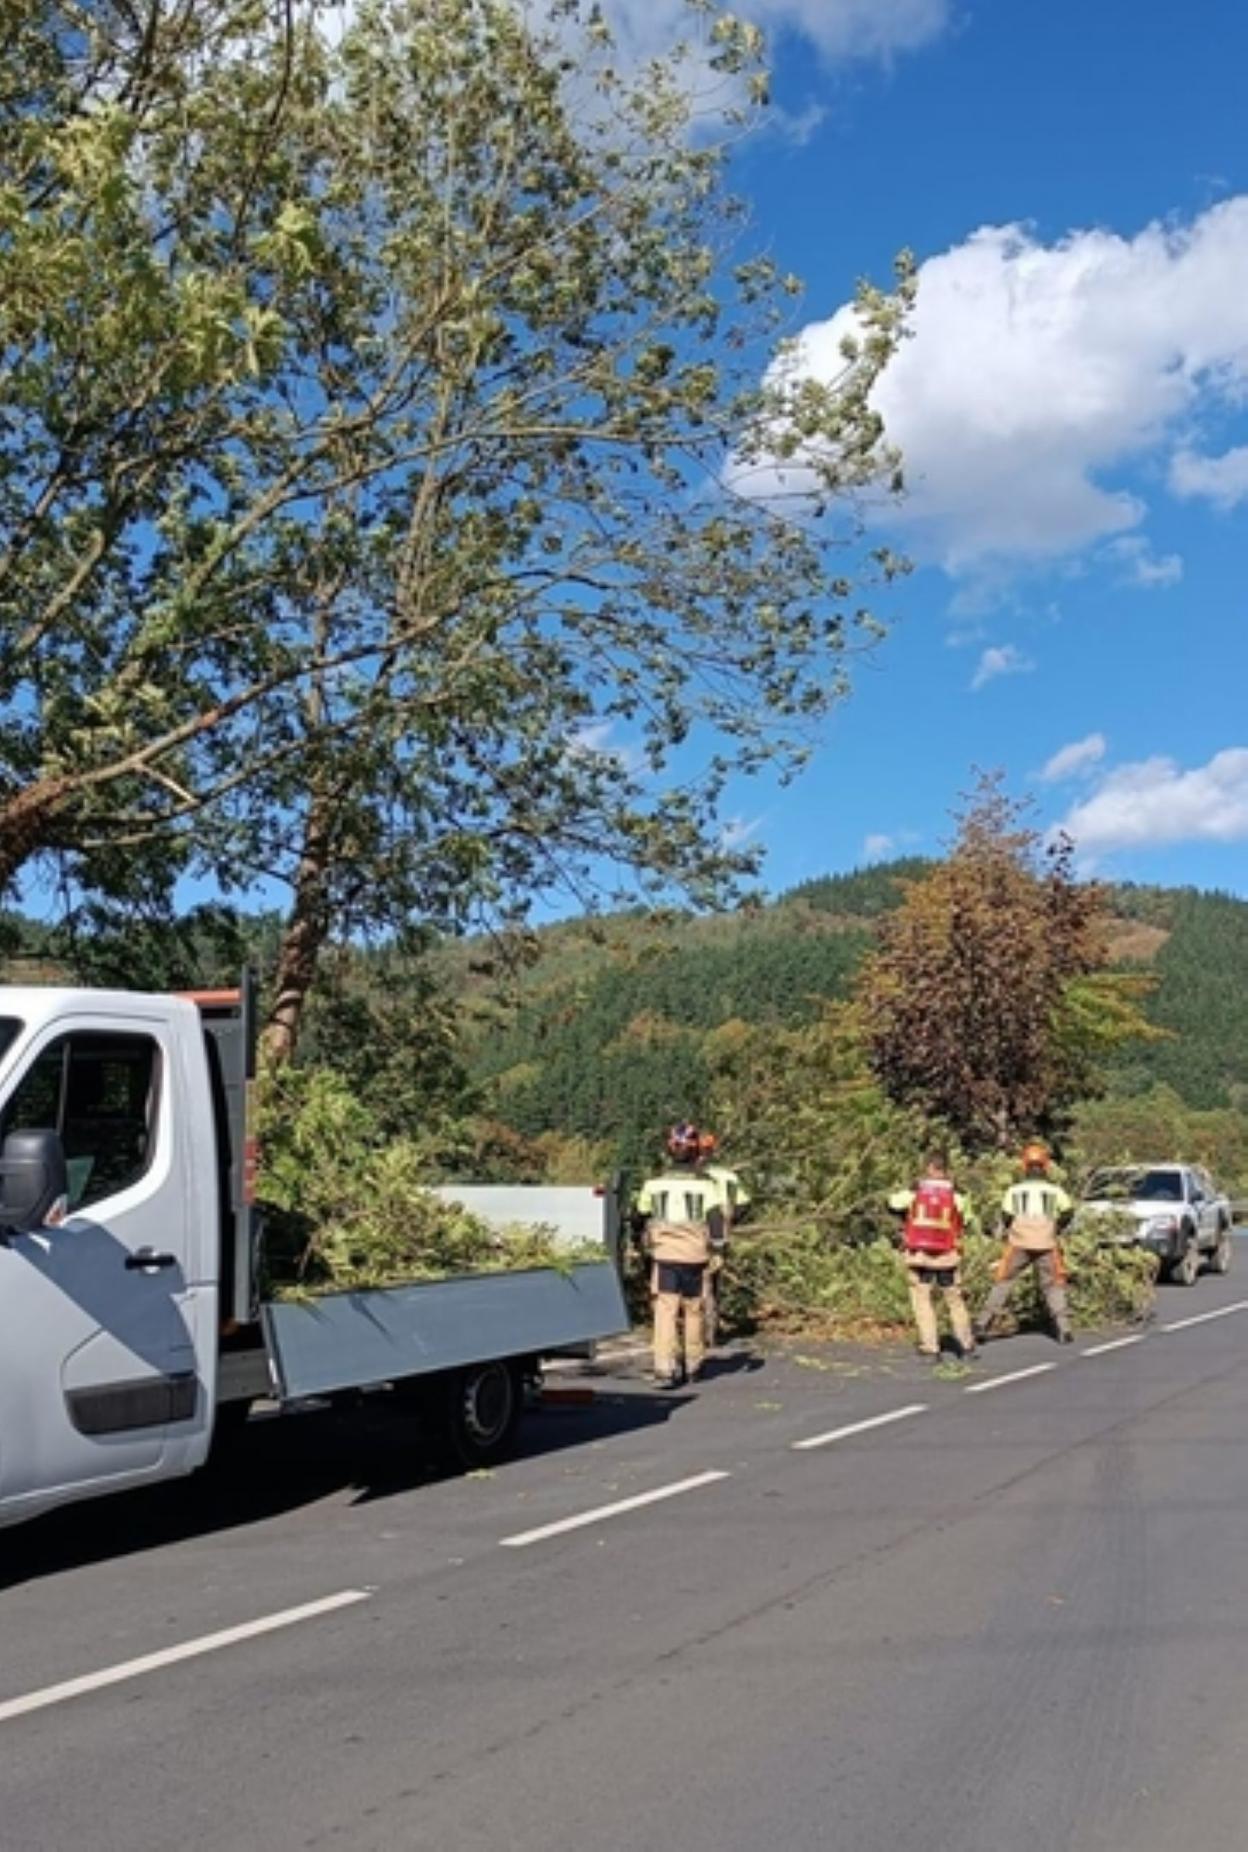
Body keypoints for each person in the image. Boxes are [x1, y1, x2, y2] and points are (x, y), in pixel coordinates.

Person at [634, 1124, 726, 1388]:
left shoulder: (653, 1185)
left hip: (665, 1257)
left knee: (665, 1310)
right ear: (696, 1151)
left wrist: (636, 1240)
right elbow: (716, 1220)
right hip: (695, 1256)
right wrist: (718, 1249)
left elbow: (639, 1215)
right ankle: (694, 1364)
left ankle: (664, 1367)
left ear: (669, 1151)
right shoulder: (706, 1188)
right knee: (694, 1309)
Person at [974, 1142, 1075, 1345]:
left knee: (1003, 1281)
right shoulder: (1055, 1191)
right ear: (1046, 1167)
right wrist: (1056, 1228)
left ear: (1024, 1167)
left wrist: (1014, 1230)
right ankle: (1064, 1330)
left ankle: (981, 1324)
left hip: (1019, 1242)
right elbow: (1068, 1212)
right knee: (1053, 1284)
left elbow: (1006, 1215)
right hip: (1047, 1242)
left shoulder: (1014, 1191)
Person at [888, 1155, 977, 1361]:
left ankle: (931, 1346)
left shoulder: (915, 1192)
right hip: (947, 1254)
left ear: (929, 1168)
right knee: (954, 1299)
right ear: (946, 1170)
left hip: (920, 1255)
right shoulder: (957, 1196)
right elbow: (968, 1220)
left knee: (922, 1299)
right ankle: (966, 1344)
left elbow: (892, 1204)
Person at [697, 1131, 750, 1350]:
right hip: (720, 1235)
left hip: (694, 1233)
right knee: (714, 1281)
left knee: (694, 1283)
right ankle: (711, 1327)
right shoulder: (728, 1176)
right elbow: (744, 1204)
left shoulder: (693, 1177)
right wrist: (731, 1222)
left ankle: (699, 1330)